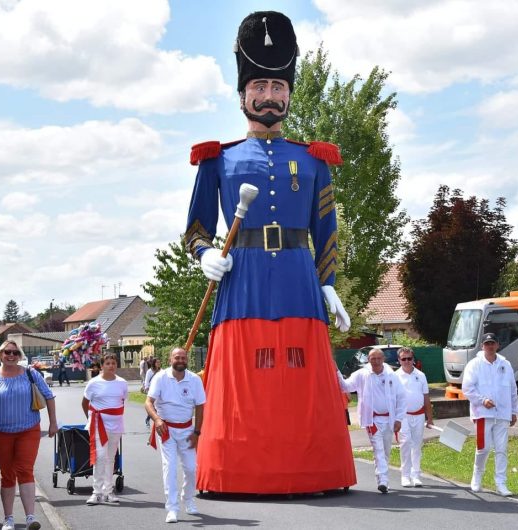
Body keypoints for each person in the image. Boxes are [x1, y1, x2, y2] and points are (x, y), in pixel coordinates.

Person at [185, 10, 355, 494]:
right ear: (243, 95)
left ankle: (313, 472)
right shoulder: (218, 158)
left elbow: (326, 231)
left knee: (300, 381)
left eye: (279, 87)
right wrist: (204, 256)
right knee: (247, 383)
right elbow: (195, 229)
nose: (270, 96)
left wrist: (329, 284)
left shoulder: (313, 158)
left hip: (300, 282)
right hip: (244, 281)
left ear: (288, 94)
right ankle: (235, 473)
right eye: (260, 85)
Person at [0, 340, 58, 530]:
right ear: (0, 354)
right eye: (7, 352)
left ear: (20, 355)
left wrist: (53, 422)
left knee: (25, 470)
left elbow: (48, 396)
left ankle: (30, 517)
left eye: (14, 352)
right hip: (0, 433)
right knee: (7, 474)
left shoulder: (30, 373)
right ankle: (9, 519)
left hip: (28, 430)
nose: (11, 356)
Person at [145, 348, 205, 523]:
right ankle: (172, 508)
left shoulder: (194, 379)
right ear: (170, 359)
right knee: (170, 467)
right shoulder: (160, 377)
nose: (180, 360)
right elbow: (149, 402)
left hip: (187, 430)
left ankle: (188, 499)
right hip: (166, 430)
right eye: (177, 357)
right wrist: (156, 420)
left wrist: (197, 432)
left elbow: (200, 406)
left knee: (191, 468)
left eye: (183, 357)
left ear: (187, 360)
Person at [337, 348, 406, 493]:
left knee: (386, 450)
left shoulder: (391, 375)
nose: (375, 361)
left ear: (383, 359)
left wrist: (399, 419)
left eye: (378, 358)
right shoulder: (362, 374)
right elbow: (345, 386)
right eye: (372, 359)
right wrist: (336, 371)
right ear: (368, 360)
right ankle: (383, 481)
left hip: (389, 419)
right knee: (378, 449)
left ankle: (382, 477)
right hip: (372, 419)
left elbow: (401, 398)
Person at [461, 332, 518, 497]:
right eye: (487, 344)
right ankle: (477, 476)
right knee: (483, 448)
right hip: (482, 413)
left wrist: (514, 410)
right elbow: (467, 388)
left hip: (502, 413)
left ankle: (501, 482)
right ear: (482, 346)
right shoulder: (474, 364)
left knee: (501, 449)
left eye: (492, 343)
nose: (490, 346)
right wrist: (482, 400)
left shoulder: (505, 364)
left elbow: (513, 389)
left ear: (497, 345)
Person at [81, 352, 128, 506]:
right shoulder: (94, 383)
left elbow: (121, 401)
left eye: (113, 363)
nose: (111, 366)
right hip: (98, 424)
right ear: (101, 366)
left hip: (116, 425)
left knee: (110, 458)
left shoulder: (122, 383)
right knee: (100, 457)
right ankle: (96, 492)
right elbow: (85, 402)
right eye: (107, 363)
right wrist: (91, 419)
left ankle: (108, 491)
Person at [394, 346, 434, 488]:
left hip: (419, 415)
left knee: (417, 445)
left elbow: (426, 398)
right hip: (402, 416)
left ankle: (416, 474)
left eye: (409, 358)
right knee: (405, 443)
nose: (406, 361)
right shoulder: (395, 376)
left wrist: (429, 418)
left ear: (413, 359)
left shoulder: (421, 375)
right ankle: (405, 475)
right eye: (403, 359)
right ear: (399, 360)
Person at [143, 358, 161, 428]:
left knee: (156, 407)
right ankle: (149, 419)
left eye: (159, 362)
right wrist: (147, 388)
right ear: (154, 363)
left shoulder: (161, 371)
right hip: (151, 391)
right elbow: (146, 381)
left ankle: (154, 420)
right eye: (157, 362)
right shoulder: (149, 371)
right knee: (152, 407)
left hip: (159, 391)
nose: (159, 364)